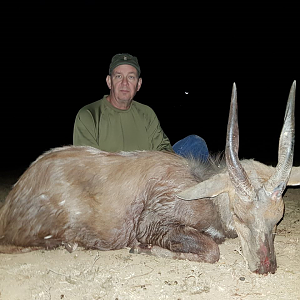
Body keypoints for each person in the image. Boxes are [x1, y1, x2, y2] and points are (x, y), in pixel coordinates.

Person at [73, 53, 209, 161]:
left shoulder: (146, 113)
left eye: (131, 77)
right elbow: (87, 166)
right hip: (113, 183)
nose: (124, 83)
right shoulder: (89, 115)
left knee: (195, 144)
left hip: (149, 176)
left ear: (139, 84)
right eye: (118, 76)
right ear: (109, 81)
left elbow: (164, 149)